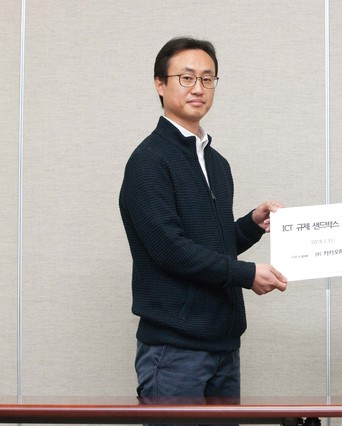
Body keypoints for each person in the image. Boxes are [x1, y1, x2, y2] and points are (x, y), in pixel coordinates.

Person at [119, 37, 287, 402]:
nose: (198, 88)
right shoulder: (149, 161)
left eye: (208, 79)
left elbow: (211, 244)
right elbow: (170, 250)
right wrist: (247, 274)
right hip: (173, 350)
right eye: (187, 77)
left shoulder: (216, 162)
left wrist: (251, 225)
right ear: (160, 84)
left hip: (224, 345)